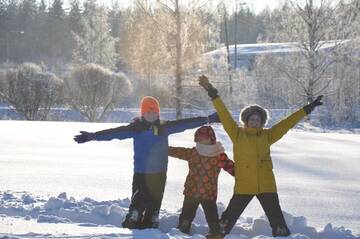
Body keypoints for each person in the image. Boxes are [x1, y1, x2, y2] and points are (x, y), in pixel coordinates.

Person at [198, 75, 323, 237]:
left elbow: (287, 123)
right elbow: (224, 114)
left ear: (262, 122)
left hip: (266, 185)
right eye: (252, 119)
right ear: (246, 121)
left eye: (258, 119)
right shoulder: (237, 134)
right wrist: (211, 91)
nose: (255, 122)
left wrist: (308, 108)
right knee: (229, 215)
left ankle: (281, 234)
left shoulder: (268, 135)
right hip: (244, 184)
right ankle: (217, 233)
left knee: (277, 219)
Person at [74, 96, 220, 229]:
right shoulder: (135, 129)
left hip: (159, 173)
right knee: (138, 198)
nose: (152, 115)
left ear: (158, 113)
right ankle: (134, 217)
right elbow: (114, 133)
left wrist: (207, 119)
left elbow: (186, 123)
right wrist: (92, 136)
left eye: (154, 112)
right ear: (142, 114)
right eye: (148, 113)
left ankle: (152, 218)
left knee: (155, 200)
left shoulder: (164, 128)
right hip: (141, 172)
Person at [168, 126, 234, 238]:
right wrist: (164, 149)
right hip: (192, 190)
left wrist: (242, 175)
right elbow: (179, 152)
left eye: (205, 138)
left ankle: (215, 231)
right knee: (187, 213)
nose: (202, 140)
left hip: (209, 192)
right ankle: (183, 228)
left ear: (212, 138)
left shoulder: (219, 155)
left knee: (211, 214)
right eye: (200, 138)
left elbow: (230, 167)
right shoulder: (194, 152)